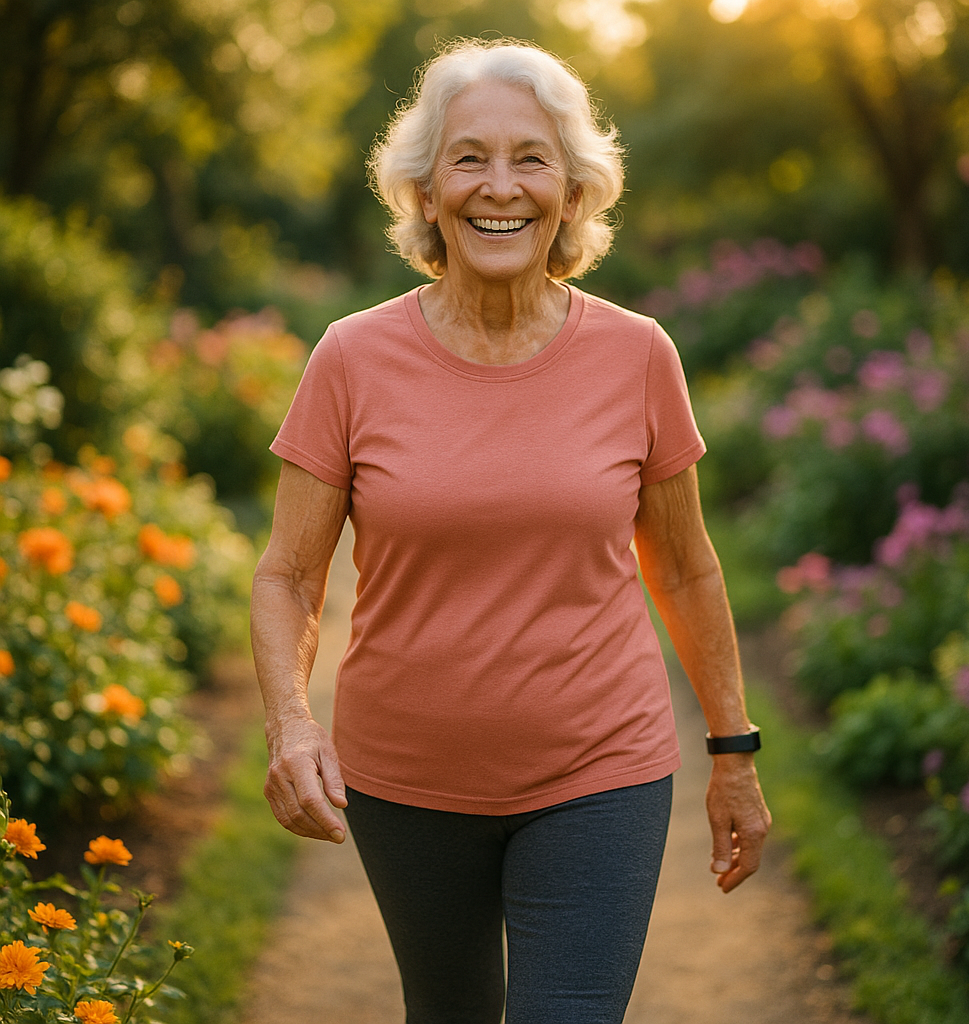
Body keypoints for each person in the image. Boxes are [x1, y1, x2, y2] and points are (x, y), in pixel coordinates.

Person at [250, 37, 771, 1024]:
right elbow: (286, 574)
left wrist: (733, 749)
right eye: (469, 157)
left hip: (599, 769)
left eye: (530, 157)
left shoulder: (638, 355)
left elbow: (689, 569)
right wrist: (289, 721)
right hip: (404, 779)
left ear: (573, 191)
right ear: (427, 190)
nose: (502, 186)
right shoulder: (352, 358)